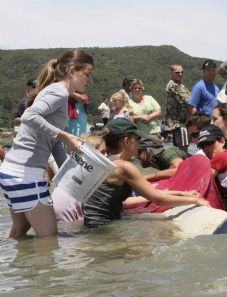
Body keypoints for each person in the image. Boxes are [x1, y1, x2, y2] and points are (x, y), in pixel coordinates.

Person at [0, 49, 93, 238]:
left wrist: (70, 174)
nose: (89, 80)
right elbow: (29, 116)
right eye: (87, 74)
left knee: (19, 234)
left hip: (12, 170)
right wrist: (66, 136)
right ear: (72, 70)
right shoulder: (59, 92)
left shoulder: (56, 92)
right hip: (26, 175)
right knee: (49, 241)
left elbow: (54, 142)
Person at [83, 118, 210, 227]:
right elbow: (158, 199)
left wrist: (184, 194)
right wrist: (195, 201)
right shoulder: (124, 167)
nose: (140, 143)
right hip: (103, 229)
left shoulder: (107, 163)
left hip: (93, 225)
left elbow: (150, 193)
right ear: (126, 141)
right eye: (137, 138)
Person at [164, 64, 191, 152]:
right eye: (177, 72)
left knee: (184, 148)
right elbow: (188, 99)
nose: (180, 74)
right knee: (183, 150)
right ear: (171, 73)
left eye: (182, 72)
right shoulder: (173, 86)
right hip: (176, 123)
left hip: (182, 122)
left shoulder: (181, 85)